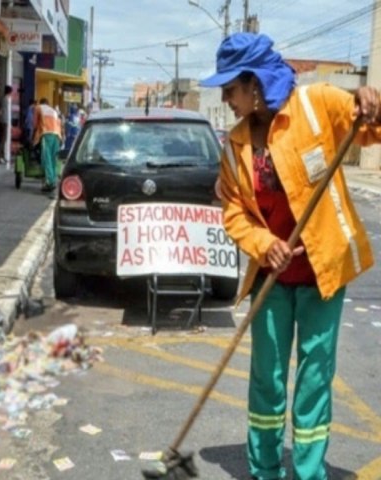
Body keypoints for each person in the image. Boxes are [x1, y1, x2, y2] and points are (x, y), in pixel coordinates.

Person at [200, 32, 381, 480]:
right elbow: (235, 214)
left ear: (256, 83)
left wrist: (371, 102)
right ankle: (264, 470)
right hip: (271, 277)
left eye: (230, 89)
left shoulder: (316, 105)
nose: (225, 99)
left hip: (323, 272)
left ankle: (308, 472)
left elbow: (371, 128)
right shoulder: (234, 144)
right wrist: (266, 245)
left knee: (315, 380)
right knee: (267, 379)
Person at [33, 98, 63, 196]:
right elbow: (59, 123)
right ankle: (53, 181)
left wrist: (33, 138)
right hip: (57, 136)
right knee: (54, 159)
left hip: (47, 134)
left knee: (47, 158)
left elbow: (34, 124)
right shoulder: (53, 110)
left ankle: (49, 182)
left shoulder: (38, 108)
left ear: (40, 103)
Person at [0, 85, 13, 164]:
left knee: (3, 139)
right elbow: (1, 111)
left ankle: (2, 155)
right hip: (3, 121)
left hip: (3, 121)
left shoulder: (4, 99)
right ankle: (0, 156)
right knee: (2, 139)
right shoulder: (5, 100)